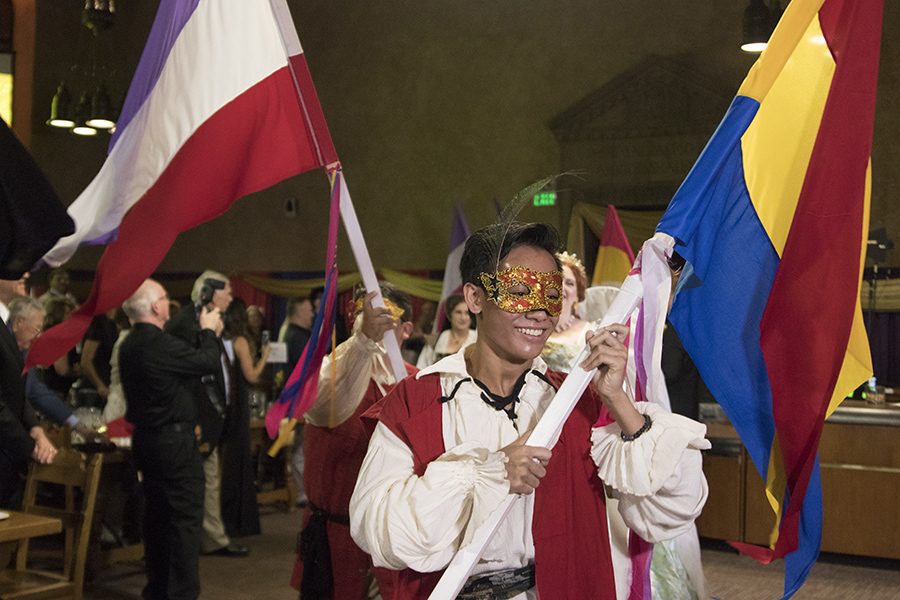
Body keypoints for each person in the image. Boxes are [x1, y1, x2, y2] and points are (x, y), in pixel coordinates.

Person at [350, 221, 709, 599]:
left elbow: (672, 508)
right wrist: (487, 473)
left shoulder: (576, 403)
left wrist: (617, 400)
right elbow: (379, 531)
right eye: (520, 292)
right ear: (474, 298)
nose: (539, 312)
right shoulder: (414, 403)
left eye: (551, 294)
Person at [292, 283, 416, 600]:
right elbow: (322, 399)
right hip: (336, 541)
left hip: (395, 544)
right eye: (361, 317)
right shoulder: (334, 375)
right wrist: (363, 342)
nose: (370, 326)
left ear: (406, 330)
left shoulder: (419, 384)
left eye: (383, 321)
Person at [119, 279, 223, 600]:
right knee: (183, 523)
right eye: (164, 297)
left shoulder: (129, 344)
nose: (168, 302)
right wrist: (208, 331)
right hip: (173, 446)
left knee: (158, 520)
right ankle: (179, 593)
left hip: (148, 442)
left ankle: (159, 591)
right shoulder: (156, 344)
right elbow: (206, 361)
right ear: (154, 307)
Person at [166, 270, 249, 557]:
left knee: (209, 479)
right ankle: (210, 539)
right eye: (226, 290)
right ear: (210, 292)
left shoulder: (206, 321)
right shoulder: (187, 324)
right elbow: (193, 375)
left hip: (208, 416)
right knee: (202, 480)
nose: (231, 296)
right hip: (194, 418)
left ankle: (212, 537)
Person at [1, 292, 57, 508]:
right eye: (36, 329)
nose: (38, 336)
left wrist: (36, 428)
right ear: (18, 323)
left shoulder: (18, 349)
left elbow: (19, 396)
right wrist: (29, 446)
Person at [221, 298, 269, 538]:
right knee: (240, 459)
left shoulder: (221, 337)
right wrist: (265, 356)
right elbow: (251, 375)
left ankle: (227, 517)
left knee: (228, 460)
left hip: (226, 402)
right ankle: (241, 520)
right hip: (240, 401)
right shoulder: (239, 340)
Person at [540, 252, 591, 372]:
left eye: (569, 283)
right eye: (555, 280)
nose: (561, 287)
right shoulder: (526, 325)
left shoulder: (590, 332)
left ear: (578, 295)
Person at [415, 295, 476, 368]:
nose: (462, 317)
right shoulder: (435, 340)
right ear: (450, 315)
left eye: (467, 313)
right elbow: (421, 366)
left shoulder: (478, 340)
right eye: (458, 312)